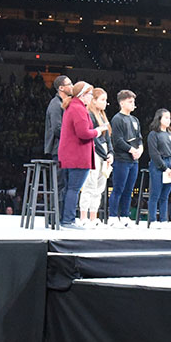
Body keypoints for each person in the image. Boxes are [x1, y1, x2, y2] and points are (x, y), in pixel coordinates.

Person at [57, 82, 108, 228]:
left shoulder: (72, 106)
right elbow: (84, 133)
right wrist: (98, 131)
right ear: (82, 95)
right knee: (74, 188)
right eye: (90, 94)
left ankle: (66, 218)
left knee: (70, 188)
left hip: (70, 155)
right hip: (78, 156)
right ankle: (69, 220)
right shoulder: (78, 109)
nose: (91, 97)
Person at [108, 89, 143, 227]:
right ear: (122, 103)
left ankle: (124, 216)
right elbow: (117, 140)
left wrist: (140, 149)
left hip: (134, 160)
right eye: (130, 101)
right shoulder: (117, 119)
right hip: (122, 159)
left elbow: (139, 138)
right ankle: (112, 217)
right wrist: (132, 149)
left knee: (129, 190)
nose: (133, 103)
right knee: (118, 188)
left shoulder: (135, 119)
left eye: (133, 101)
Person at [79, 87, 114, 227]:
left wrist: (111, 153)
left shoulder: (103, 116)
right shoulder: (90, 115)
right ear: (94, 100)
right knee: (90, 184)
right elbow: (94, 138)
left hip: (105, 152)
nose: (105, 103)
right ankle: (83, 217)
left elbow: (108, 138)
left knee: (100, 186)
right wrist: (105, 154)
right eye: (102, 100)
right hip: (94, 152)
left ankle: (93, 216)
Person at [146, 108, 171, 229]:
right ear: (159, 118)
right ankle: (153, 220)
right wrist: (164, 168)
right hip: (158, 165)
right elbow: (154, 153)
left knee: (165, 195)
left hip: (170, 164)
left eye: (169, 118)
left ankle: (164, 220)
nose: (168, 120)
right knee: (155, 194)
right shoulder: (154, 134)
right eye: (166, 117)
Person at [44, 74, 73, 210]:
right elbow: (57, 128)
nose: (72, 86)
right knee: (61, 183)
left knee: (65, 182)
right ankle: (56, 215)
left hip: (64, 148)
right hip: (58, 149)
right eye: (69, 84)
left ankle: (61, 215)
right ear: (61, 88)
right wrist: (72, 140)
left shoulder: (64, 103)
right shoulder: (56, 104)